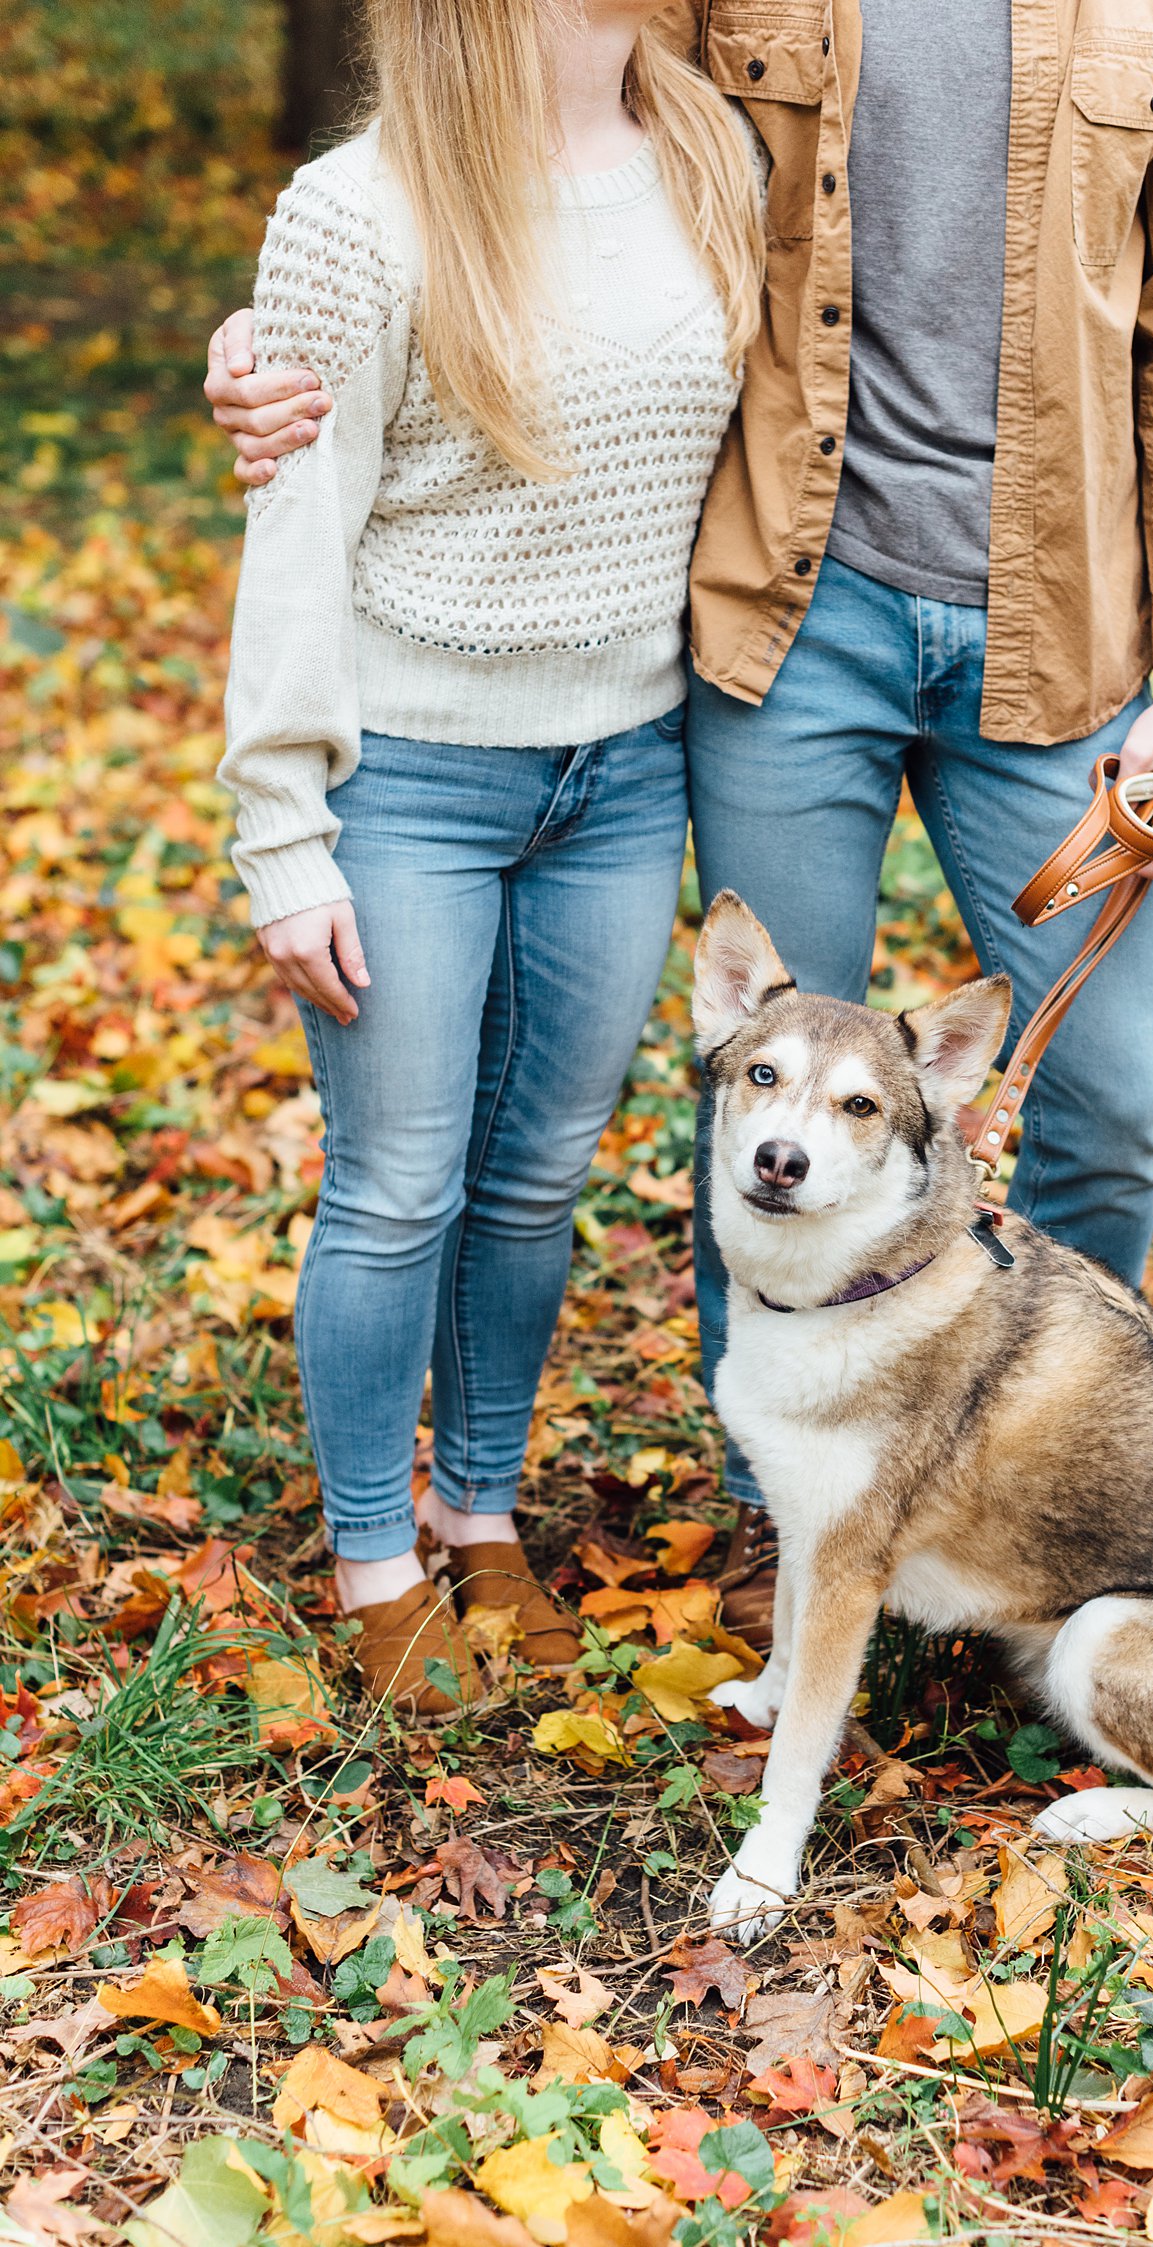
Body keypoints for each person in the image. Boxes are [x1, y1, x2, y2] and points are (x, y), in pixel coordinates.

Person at [208, 0, 1153, 1653]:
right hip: (788, 620)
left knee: (1113, 1109)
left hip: (1065, 634)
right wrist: (276, 341)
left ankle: (1034, 1517)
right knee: (769, 1100)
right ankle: (793, 1528)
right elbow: (509, 86)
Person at [216, 0, 763, 1708]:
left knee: (537, 1181)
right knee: (395, 1190)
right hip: (413, 774)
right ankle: (376, 1558)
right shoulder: (357, 211)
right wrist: (284, 830)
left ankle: (479, 1512)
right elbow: (296, 520)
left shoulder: (711, 154)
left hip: (627, 764)